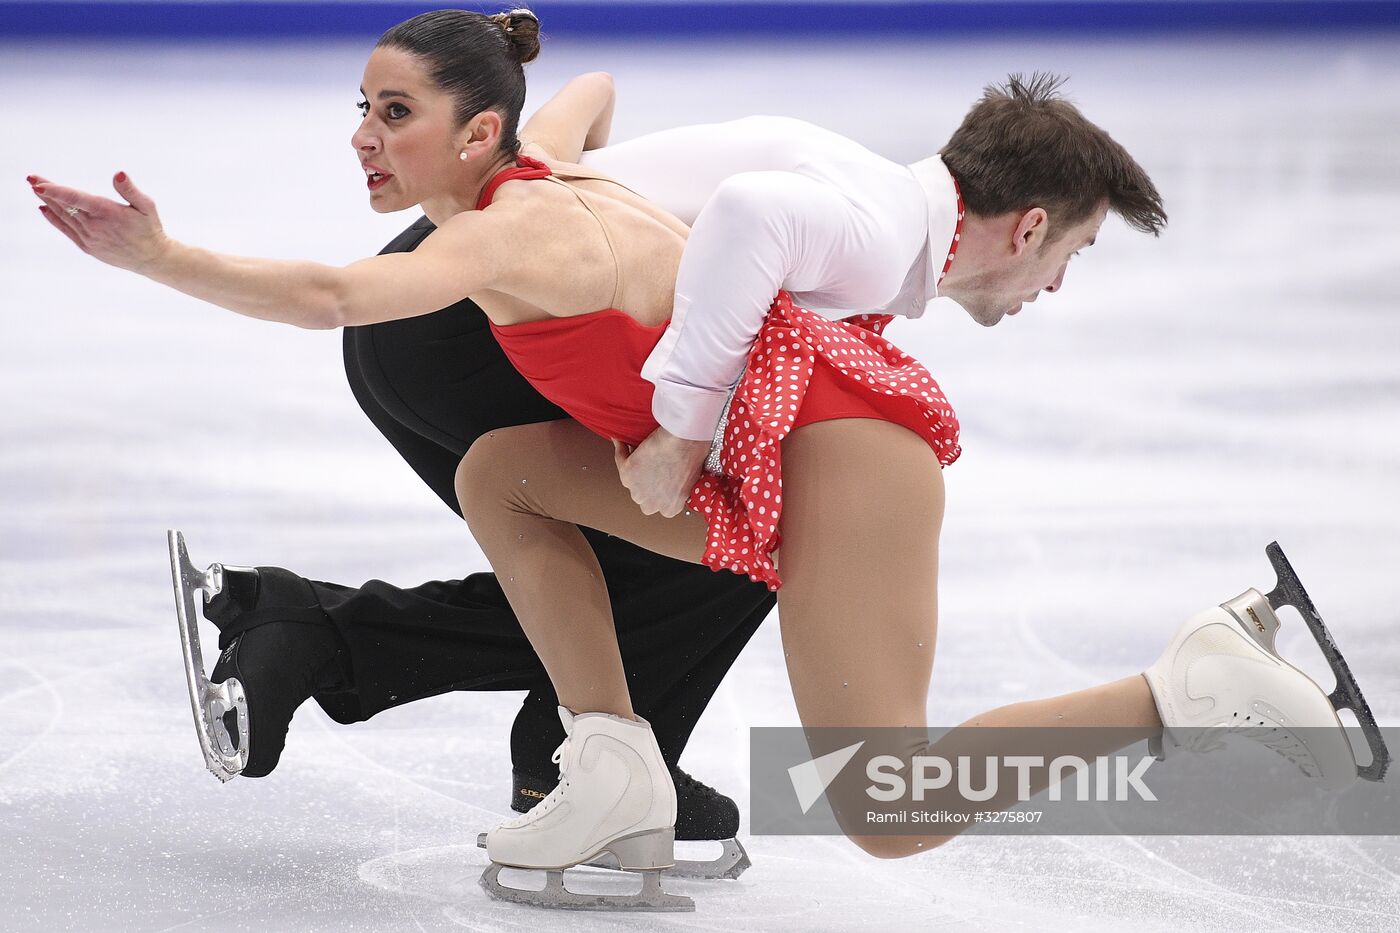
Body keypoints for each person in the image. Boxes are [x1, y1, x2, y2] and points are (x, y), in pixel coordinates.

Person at [31, 7, 1376, 913]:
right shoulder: (538, 195)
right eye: (366, 110)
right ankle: (608, 760)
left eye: (393, 112)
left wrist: (675, 420)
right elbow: (676, 180)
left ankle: (1184, 683)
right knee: (511, 476)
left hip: (844, 444)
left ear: (480, 132)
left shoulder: (537, 218)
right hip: (807, 430)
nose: (362, 139)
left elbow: (728, 205)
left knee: (882, 800)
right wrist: (676, 412)